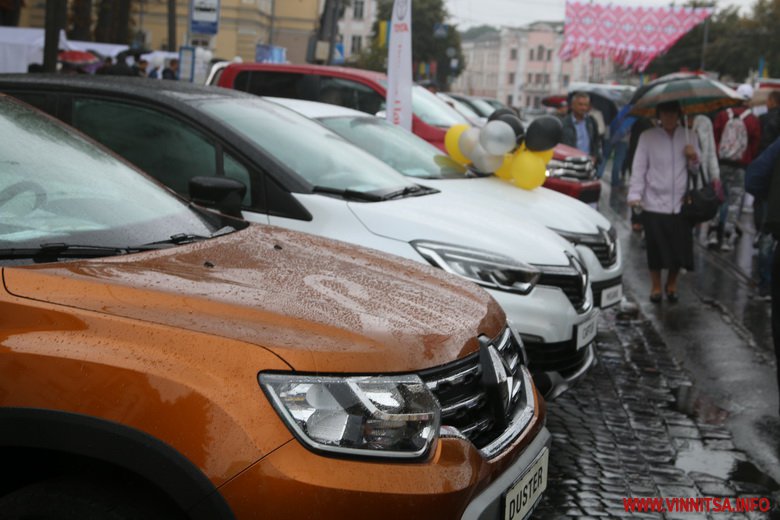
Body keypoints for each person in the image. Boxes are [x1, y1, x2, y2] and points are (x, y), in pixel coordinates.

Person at [628, 101, 700, 303]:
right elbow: (639, 168)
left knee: (678, 250)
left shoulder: (689, 136)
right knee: (656, 248)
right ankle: (656, 286)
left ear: (679, 115)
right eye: (665, 114)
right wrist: (635, 195)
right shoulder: (648, 137)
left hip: (680, 204)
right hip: (653, 203)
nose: (669, 118)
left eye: (673, 114)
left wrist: (692, 156)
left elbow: (695, 169)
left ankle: (672, 284)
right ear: (659, 115)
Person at [710, 83, 762, 251]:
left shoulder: (723, 115)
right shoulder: (753, 120)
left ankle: (712, 232)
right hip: (740, 166)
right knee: (735, 201)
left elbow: (715, 137)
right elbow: (754, 145)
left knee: (718, 198)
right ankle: (727, 237)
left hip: (721, 164)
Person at [753, 91, 780, 300]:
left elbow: (753, 178)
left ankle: (765, 285)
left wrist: (765, 194)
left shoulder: (764, 120)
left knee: (767, 238)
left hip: (773, 206)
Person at [561, 92, 602, 167]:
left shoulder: (591, 122)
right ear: (573, 105)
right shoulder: (564, 123)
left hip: (588, 163)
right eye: (580, 104)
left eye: (586, 105)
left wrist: (595, 157)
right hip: (570, 163)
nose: (583, 108)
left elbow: (596, 142)